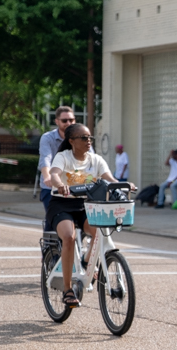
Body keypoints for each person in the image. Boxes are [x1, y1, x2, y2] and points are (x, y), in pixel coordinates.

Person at [47, 123, 133, 307]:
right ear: (71, 141)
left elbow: (110, 179)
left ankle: (86, 263)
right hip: (62, 203)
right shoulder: (63, 157)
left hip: (86, 205)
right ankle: (68, 289)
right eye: (84, 138)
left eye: (90, 138)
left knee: (100, 232)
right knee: (69, 238)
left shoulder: (96, 160)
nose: (88, 141)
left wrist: (124, 185)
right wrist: (59, 184)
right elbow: (54, 174)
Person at [38, 106, 79, 213]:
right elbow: (45, 158)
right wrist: (48, 177)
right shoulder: (48, 138)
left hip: (75, 186)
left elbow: (92, 158)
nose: (68, 123)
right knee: (56, 217)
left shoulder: (82, 137)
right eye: (64, 120)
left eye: (71, 120)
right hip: (52, 187)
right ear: (57, 121)